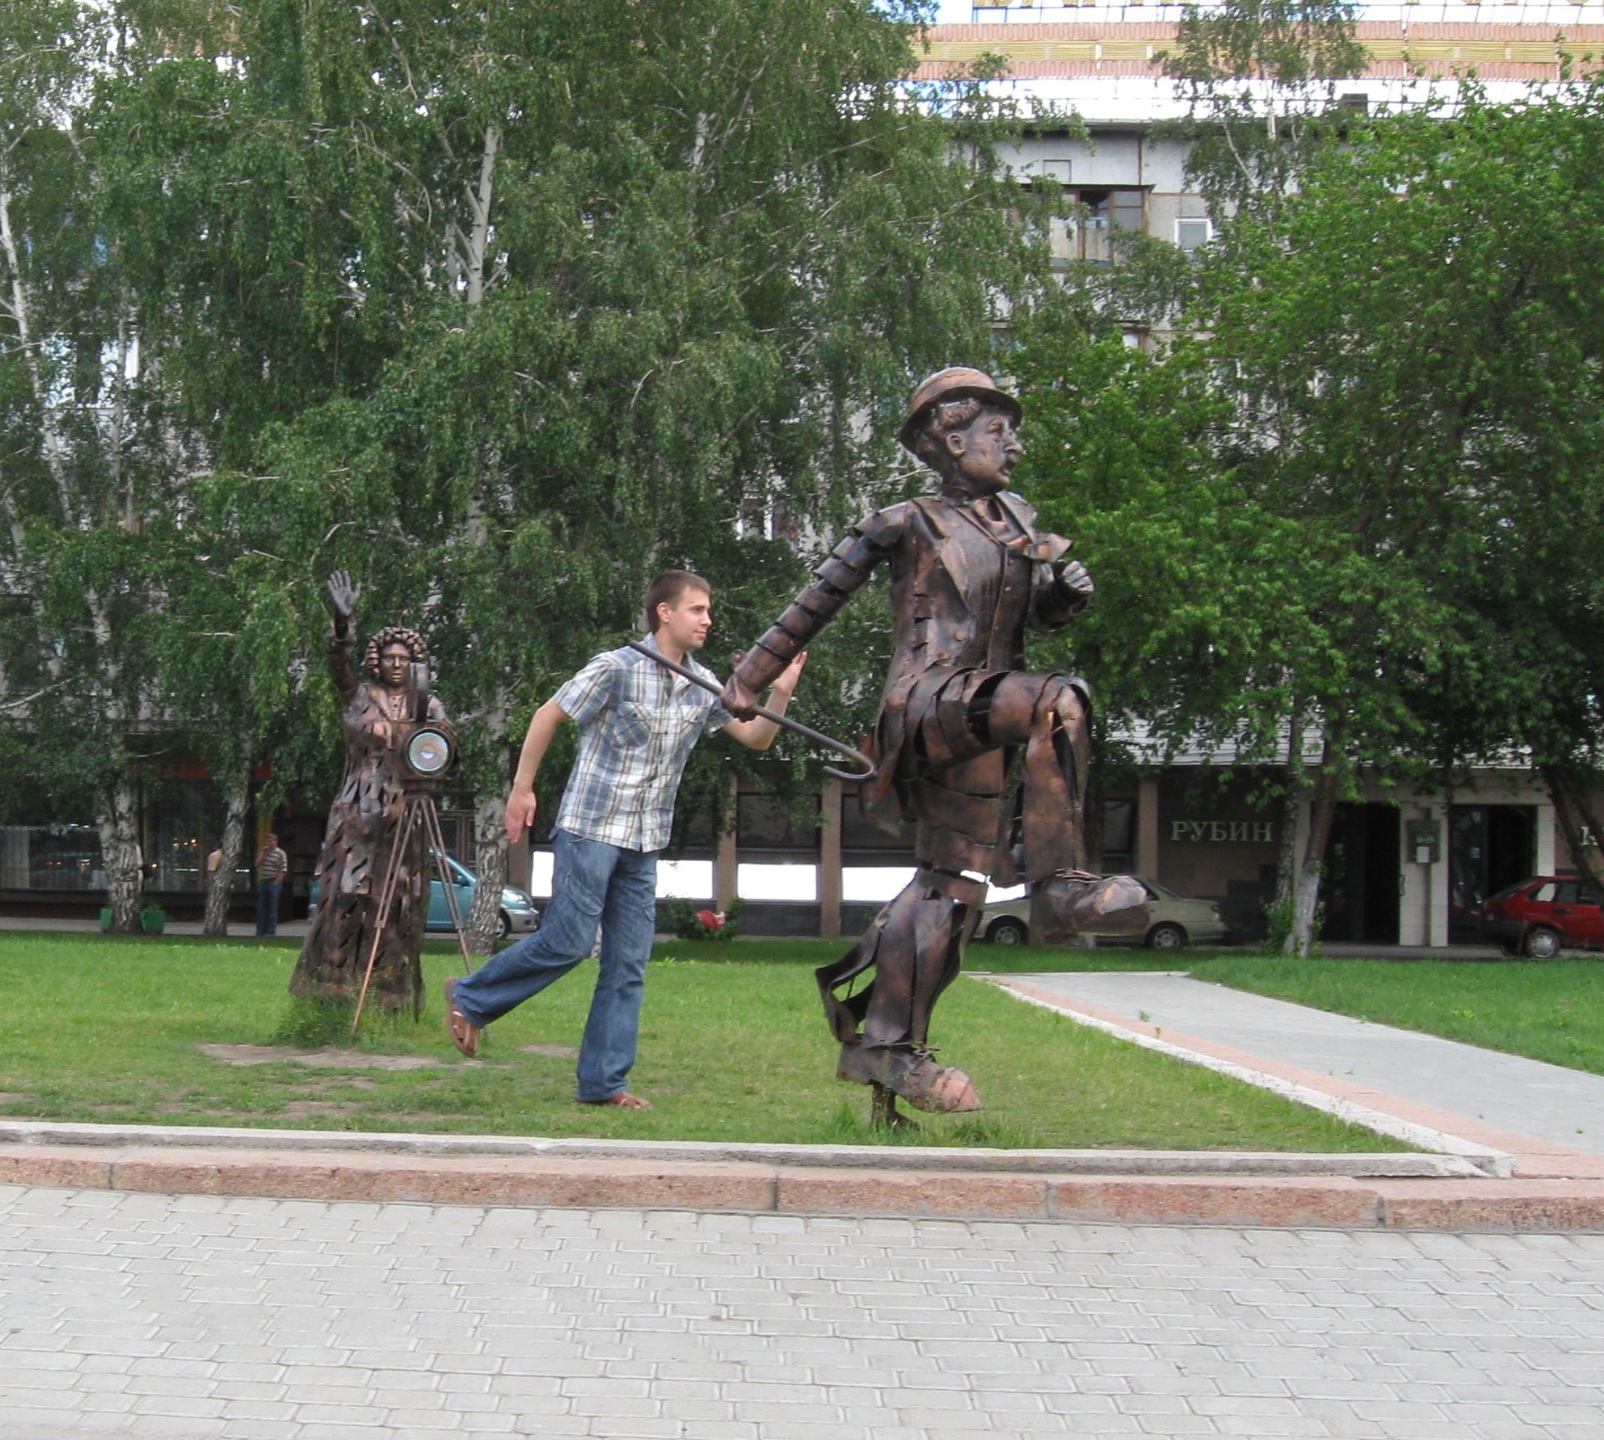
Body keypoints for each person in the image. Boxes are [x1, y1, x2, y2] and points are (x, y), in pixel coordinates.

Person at [719, 367, 1148, 1116]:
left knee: (951, 892)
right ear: (951, 440)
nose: (1013, 446)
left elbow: (1028, 614)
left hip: (987, 719)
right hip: (929, 700)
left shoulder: (1016, 519)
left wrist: (1061, 596)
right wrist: (751, 674)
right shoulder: (907, 520)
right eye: (997, 431)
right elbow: (818, 599)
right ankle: (1061, 885)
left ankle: (891, 1052)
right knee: (1062, 700)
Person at [445, 572, 805, 1107]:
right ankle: (472, 996)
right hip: (590, 829)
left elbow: (755, 737)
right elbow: (548, 714)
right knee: (568, 942)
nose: (707, 620)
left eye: (708, 610)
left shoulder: (704, 683)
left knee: (628, 964)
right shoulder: (615, 667)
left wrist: (783, 689)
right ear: (665, 612)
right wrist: (522, 789)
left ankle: (603, 1083)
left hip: (644, 840)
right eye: (697, 609)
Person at [290, 571, 449, 1011]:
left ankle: (387, 994)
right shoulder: (360, 695)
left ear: (414, 663)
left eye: (404, 658)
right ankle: (331, 986)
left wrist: (428, 746)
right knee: (346, 891)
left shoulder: (428, 704)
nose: (396, 664)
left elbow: (445, 749)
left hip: (405, 812)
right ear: (376, 661)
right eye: (388, 657)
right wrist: (343, 625)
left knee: (397, 899)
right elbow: (336, 666)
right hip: (358, 807)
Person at [255, 830, 288, 937]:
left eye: (271, 841)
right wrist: (264, 854)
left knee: (272, 908)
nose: (269, 843)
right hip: (264, 881)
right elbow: (257, 864)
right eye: (268, 841)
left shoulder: (281, 853)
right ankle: (260, 931)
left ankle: (270, 931)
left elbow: (283, 870)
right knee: (262, 908)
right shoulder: (264, 852)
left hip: (274, 881)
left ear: (275, 841)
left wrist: (276, 883)